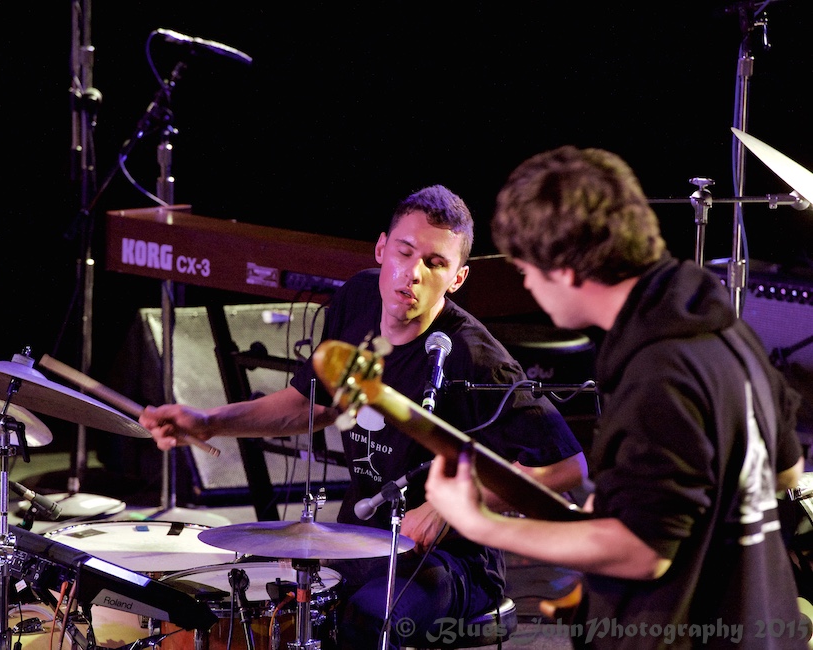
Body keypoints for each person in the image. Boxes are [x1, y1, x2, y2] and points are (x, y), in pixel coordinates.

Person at [139, 184, 588, 649]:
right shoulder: (357, 300)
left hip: (450, 562)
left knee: (363, 619)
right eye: (404, 251)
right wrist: (210, 422)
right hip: (362, 538)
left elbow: (566, 464)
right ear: (381, 248)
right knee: (261, 609)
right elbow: (311, 405)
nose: (412, 273)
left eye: (435, 263)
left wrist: (448, 508)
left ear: (457, 278)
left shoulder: (474, 356)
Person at [424, 146, 808, 649]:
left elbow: (643, 552)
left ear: (564, 267)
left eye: (527, 271)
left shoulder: (659, 371)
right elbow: (784, 472)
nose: (529, 287)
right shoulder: (725, 329)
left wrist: (480, 522)